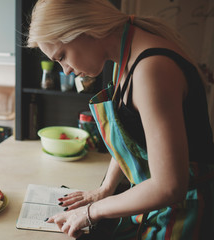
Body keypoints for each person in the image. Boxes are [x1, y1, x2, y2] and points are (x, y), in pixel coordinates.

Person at [26, 0, 214, 239]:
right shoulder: (126, 52)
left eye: (62, 56)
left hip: (186, 213)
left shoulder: (151, 69)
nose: (66, 71)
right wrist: (104, 190)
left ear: (83, 30)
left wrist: (91, 212)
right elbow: (131, 136)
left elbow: (169, 186)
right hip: (157, 204)